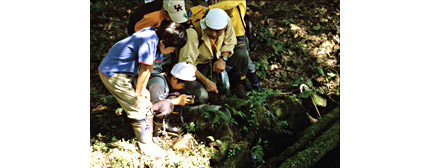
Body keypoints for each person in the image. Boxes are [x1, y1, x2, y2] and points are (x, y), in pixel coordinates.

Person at [98, 21, 187, 158]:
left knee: (142, 101)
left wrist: (144, 88)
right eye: (172, 49)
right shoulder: (149, 41)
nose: (172, 52)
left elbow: (150, 66)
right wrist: (139, 93)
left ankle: (139, 130)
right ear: (164, 42)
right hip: (113, 73)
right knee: (138, 106)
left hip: (126, 72)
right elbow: (145, 69)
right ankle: (146, 144)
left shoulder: (157, 39)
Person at [179, 8, 250, 103]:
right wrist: (206, 81)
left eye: (218, 31)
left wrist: (223, 59)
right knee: (202, 96)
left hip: (215, 58)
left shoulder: (226, 21)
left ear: (224, 27)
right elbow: (185, 64)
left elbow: (230, 41)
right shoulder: (193, 33)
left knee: (241, 55)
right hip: (197, 66)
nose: (213, 34)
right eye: (210, 30)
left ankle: (238, 85)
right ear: (205, 25)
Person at [207, 0, 263, 92]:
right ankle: (221, 83)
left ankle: (254, 85)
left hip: (237, 34)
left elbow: (230, 3)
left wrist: (211, 9)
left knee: (246, 60)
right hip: (219, 31)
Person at [147, 62, 196, 136]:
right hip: (144, 111)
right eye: (184, 82)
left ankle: (170, 124)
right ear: (174, 78)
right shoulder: (158, 84)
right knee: (167, 105)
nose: (185, 85)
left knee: (177, 95)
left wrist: (185, 100)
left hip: (155, 105)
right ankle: (155, 131)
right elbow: (154, 107)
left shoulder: (169, 82)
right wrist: (175, 101)